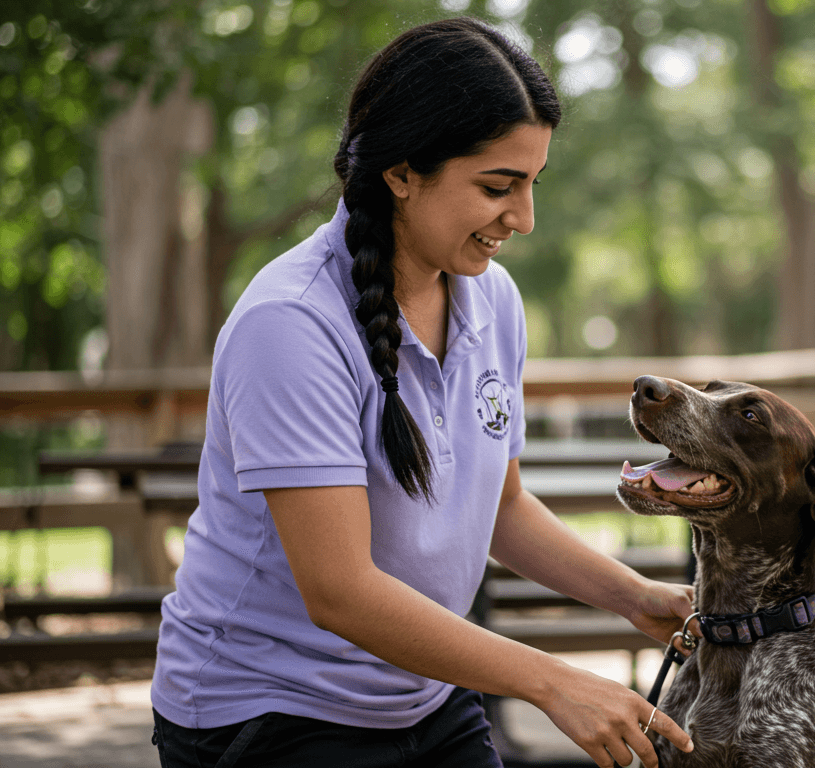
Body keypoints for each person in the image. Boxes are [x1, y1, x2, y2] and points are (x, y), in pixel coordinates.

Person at [150, 17, 696, 768]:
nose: (525, 218)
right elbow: (339, 591)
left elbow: (497, 508)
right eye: (498, 187)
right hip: (268, 711)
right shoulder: (290, 324)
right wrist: (551, 682)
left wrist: (636, 597)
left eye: (533, 183)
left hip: (427, 694)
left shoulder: (492, 300)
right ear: (402, 172)